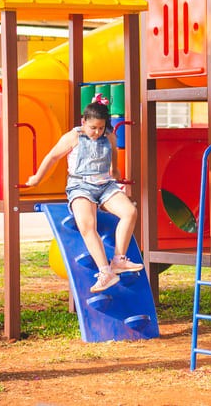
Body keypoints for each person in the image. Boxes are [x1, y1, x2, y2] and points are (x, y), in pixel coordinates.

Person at [26, 95, 142, 293]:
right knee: (87, 224)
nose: (97, 132)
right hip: (80, 186)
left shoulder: (109, 136)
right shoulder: (73, 137)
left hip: (105, 185)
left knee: (130, 212)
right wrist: (37, 178)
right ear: (83, 122)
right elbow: (53, 157)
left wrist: (115, 173)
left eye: (101, 128)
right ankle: (105, 272)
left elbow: (113, 156)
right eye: (93, 128)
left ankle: (118, 260)